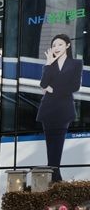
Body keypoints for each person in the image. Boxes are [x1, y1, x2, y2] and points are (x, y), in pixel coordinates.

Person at [37, 33, 82, 183]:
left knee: (58, 144)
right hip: (48, 109)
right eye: (54, 45)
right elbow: (43, 84)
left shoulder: (76, 63)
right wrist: (48, 64)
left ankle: (54, 179)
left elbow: (74, 86)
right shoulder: (50, 64)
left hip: (64, 109)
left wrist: (53, 89)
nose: (56, 48)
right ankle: (56, 179)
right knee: (50, 145)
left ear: (68, 45)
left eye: (60, 44)